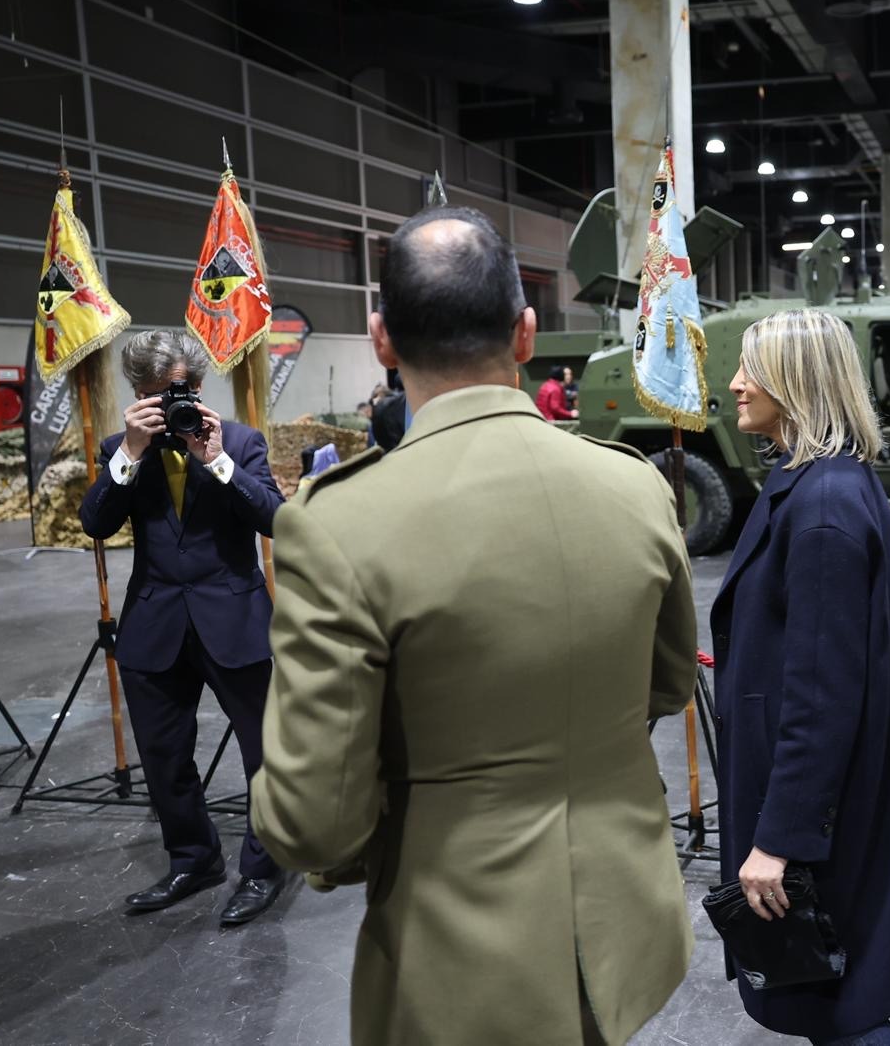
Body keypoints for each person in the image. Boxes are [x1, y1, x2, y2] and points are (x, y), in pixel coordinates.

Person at [250, 206, 697, 1046]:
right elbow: (669, 682)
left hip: (457, 956)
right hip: (622, 926)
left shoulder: (339, 523)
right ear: (525, 333)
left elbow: (314, 820)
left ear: (382, 341)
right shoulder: (634, 485)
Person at [712, 308, 890, 1045]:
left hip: (816, 809)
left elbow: (822, 695)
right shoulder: (816, 482)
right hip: (814, 794)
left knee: (837, 1004)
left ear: (795, 381)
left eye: (752, 369)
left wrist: (779, 840)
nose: (736, 384)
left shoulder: (823, 506)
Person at [77, 329, 287, 925]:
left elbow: (275, 519)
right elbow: (95, 523)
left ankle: (265, 868)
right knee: (164, 757)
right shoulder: (123, 449)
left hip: (234, 620)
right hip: (155, 624)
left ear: (197, 385)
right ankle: (194, 860)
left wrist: (215, 461)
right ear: (136, 394)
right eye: (155, 393)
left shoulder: (239, 442)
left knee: (264, 753)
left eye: (181, 390)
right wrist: (130, 454)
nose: (171, 403)